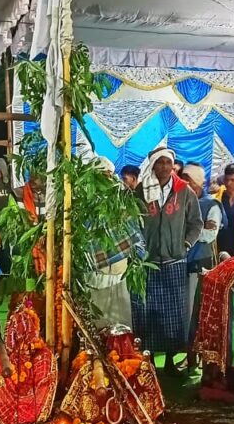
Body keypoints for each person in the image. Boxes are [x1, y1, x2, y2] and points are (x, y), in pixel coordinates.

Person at [132, 148, 202, 376]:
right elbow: (132, 222)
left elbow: (196, 223)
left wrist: (186, 244)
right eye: (159, 162)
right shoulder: (141, 191)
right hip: (148, 262)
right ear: (152, 164)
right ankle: (150, 359)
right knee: (148, 312)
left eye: (167, 163)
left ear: (173, 165)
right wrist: (139, 248)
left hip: (175, 261)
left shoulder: (184, 191)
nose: (163, 167)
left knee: (174, 314)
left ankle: (172, 360)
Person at [85, 156, 138, 328]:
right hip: (94, 268)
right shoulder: (84, 200)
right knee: (96, 312)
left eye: (109, 175)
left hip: (118, 267)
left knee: (119, 313)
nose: (107, 179)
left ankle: (120, 340)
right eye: (102, 175)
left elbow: (131, 228)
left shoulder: (120, 198)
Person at [181, 163, 222, 364]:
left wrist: (186, 232)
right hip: (183, 262)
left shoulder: (211, 205)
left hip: (201, 263)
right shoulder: (182, 202)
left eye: (188, 181)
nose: (184, 185)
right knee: (185, 310)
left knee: (197, 310)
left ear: (197, 183)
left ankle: (194, 356)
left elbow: (209, 235)